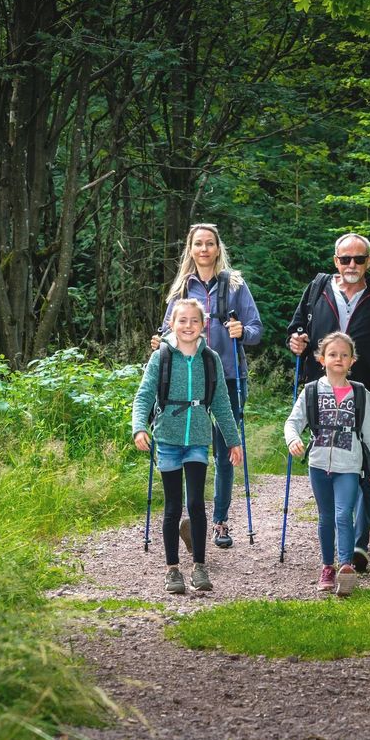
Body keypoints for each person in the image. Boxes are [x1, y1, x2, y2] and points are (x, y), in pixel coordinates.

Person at [286, 233, 370, 573]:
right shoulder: (318, 288)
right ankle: (335, 547)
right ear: (335, 261)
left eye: (359, 259)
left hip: (363, 392)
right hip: (321, 392)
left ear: (369, 261)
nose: (352, 265)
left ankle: (359, 543)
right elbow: (295, 328)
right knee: (328, 458)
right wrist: (297, 341)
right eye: (345, 259)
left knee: (364, 464)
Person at [153, 222, 263, 549]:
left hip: (227, 375)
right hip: (186, 382)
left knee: (227, 449)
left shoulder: (236, 285)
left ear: (218, 248)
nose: (203, 249)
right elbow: (167, 330)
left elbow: (256, 330)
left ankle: (220, 521)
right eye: (198, 244)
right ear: (190, 249)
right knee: (189, 447)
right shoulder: (181, 290)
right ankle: (192, 517)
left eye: (209, 244)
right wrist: (161, 341)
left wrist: (242, 331)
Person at [133, 298, 243, 594]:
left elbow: (221, 402)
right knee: (172, 506)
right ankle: (172, 570)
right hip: (167, 436)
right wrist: (139, 427)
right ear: (172, 324)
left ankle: (199, 566)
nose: (188, 326)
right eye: (182, 321)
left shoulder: (211, 359)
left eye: (194, 321)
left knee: (195, 503)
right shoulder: (162, 357)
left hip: (197, 438)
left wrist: (233, 441)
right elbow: (144, 395)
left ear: (203, 325)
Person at [284, 331, 370, 597]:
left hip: (349, 465)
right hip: (318, 464)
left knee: (344, 514)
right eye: (332, 354)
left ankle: (346, 567)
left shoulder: (361, 395)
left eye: (344, 354)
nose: (338, 358)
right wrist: (293, 439)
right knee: (326, 517)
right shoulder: (311, 391)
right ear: (321, 359)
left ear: (352, 361)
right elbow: (293, 422)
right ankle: (327, 567)